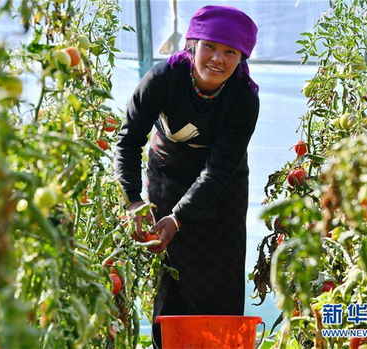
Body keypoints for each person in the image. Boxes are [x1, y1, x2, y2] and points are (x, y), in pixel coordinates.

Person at [115, 5, 259, 348]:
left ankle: (219, 343)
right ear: (192, 43)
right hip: (167, 175)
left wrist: (179, 218)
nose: (217, 59)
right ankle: (170, 343)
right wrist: (134, 201)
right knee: (171, 276)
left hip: (222, 189)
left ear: (241, 58)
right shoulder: (163, 79)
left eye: (230, 52)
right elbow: (130, 139)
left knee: (220, 277)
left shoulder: (243, 99)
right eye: (210, 46)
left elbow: (220, 168)